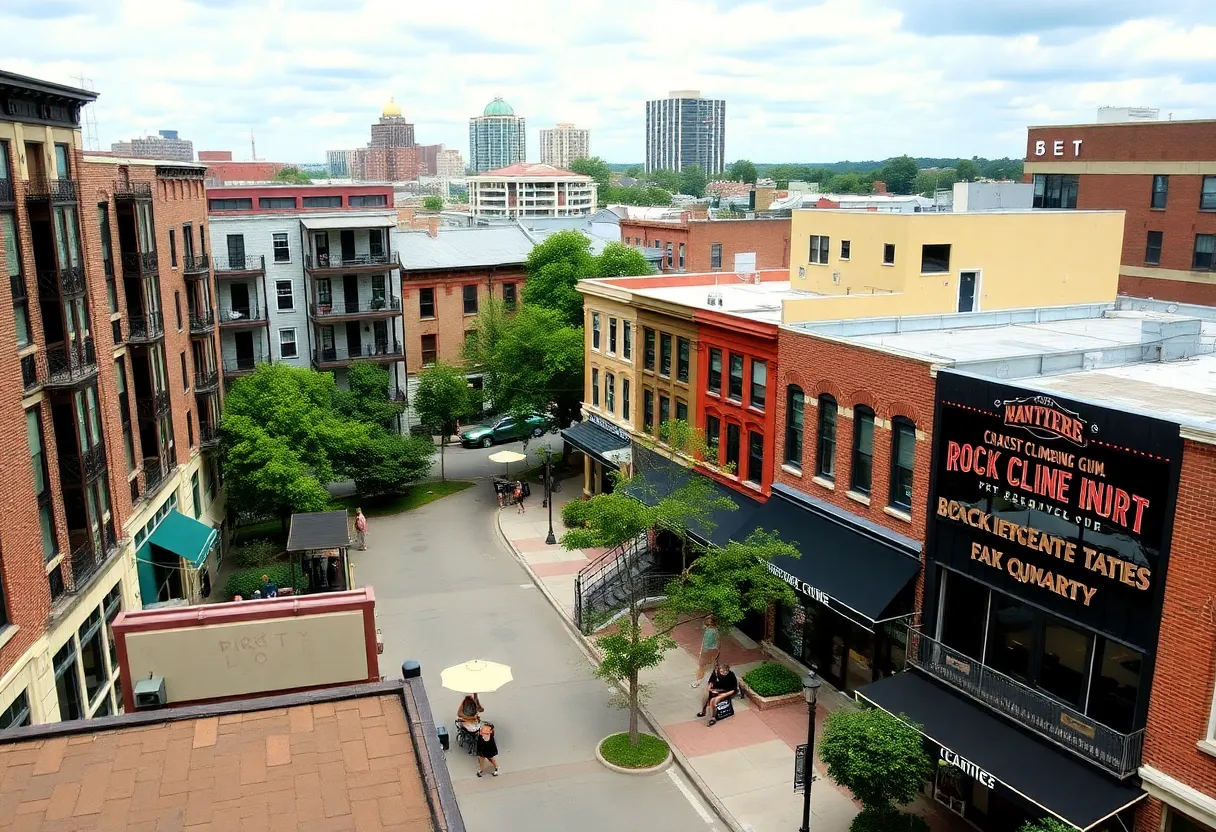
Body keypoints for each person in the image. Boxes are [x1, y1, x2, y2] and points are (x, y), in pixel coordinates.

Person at [691, 616, 720, 688]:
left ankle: (698, 681)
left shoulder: (710, 632)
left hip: (708, 651)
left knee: (701, 666)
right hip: (713, 651)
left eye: (709, 624)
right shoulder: (715, 630)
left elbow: (707, 645)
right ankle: (716, 680)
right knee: (713, 666)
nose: (707, 625)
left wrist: (703, 653)